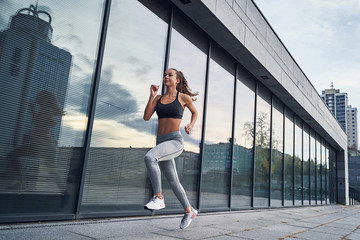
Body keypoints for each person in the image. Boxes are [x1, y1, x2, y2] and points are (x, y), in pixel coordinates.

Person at [143, 68, 198, 229]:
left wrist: (190, 125)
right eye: (165, 75)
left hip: (174, 141)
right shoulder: (159, 98)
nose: (166, 76)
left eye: (170, 75)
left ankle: (158, 197)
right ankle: (189, 210)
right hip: (161, 143)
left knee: (149, 158)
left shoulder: (183, 97)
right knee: (174, 181)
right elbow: (146, 117)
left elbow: (194, 113)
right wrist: (152, 95)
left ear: (177, 80)